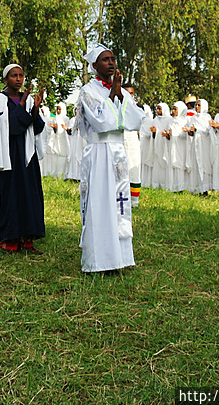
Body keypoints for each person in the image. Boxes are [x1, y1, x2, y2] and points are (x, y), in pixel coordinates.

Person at [76, 44, 143, 273]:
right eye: (105, 60)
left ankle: (120, 258)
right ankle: (99, 260)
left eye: (113, 58)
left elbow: (135, 120)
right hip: (99, 152)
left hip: (117, 152)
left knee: (119, 204)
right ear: (95, 66)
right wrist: (114, 94)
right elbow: (101, 123)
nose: (111, 63)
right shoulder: (88, 91)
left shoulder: (121, 90)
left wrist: (117, 92)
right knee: (100, 204)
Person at [0, 63, 46, 253]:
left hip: (27, 155)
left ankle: (28, 239)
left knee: (30, 196)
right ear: (6, 79)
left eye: (21, 75)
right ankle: (10, 240)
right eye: (14, 75)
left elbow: (37, 128)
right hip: (9, 154)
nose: (18, 79)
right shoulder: (0, 99)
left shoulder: (30, 99)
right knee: (11, 196)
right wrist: (23, 105)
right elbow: (11, 128)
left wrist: (34, 111)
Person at [185, 99, 212, 194]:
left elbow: (208, 132)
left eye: (199, 105)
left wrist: (197, 130)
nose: (197, 107)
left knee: (204, 165)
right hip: (194, 145)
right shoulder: (193, 118)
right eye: (196, 105)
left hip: (204, 145)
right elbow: (191, 132)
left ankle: (205, 189)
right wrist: (190, 132)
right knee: (195, 165)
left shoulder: (207, 117)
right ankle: (196, 188)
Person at [122, 85, 142, 206]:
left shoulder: (138, 107)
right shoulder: (116, 105)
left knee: (134, 166)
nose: (130, 96)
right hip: (121, 138)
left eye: (132, 93)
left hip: (133, 139)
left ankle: (134, 200)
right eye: (127, 93)